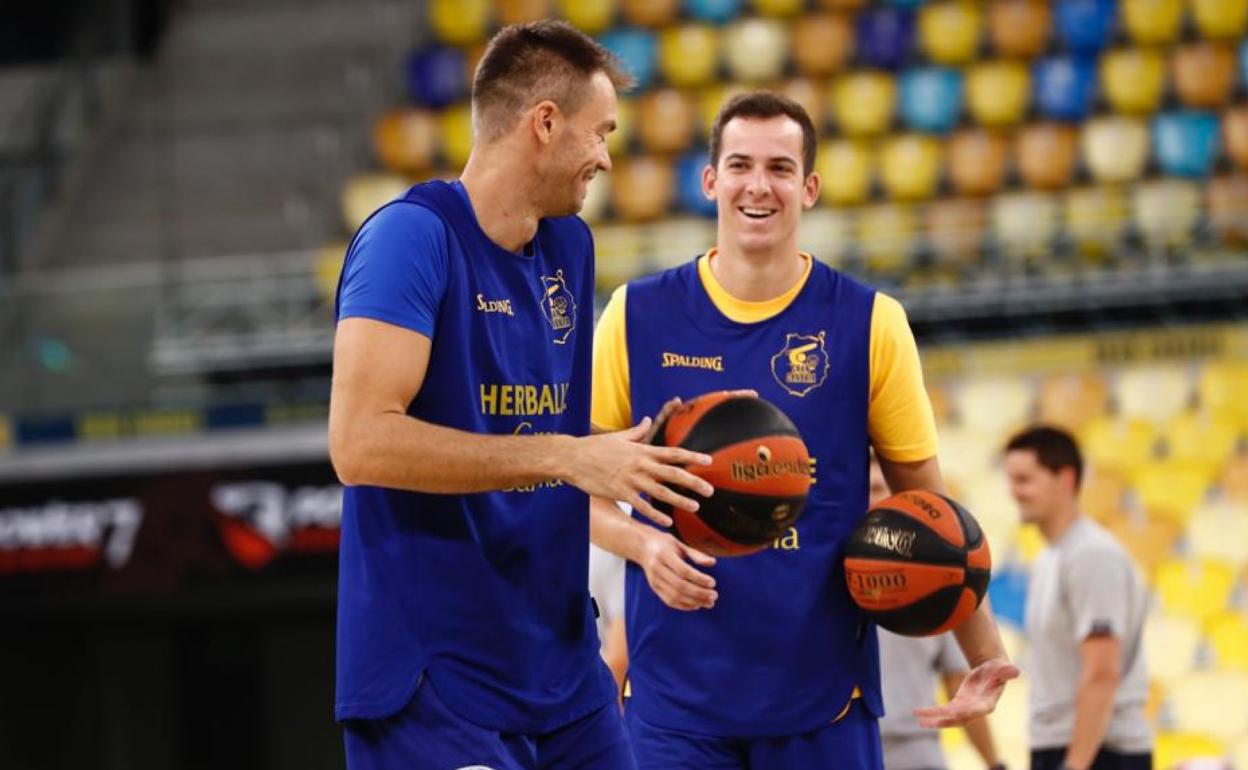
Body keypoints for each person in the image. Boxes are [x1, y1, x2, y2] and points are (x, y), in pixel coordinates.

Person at [589, 91, 1019, 770]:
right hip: (674, 701)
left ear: (809, 187)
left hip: (824, 700)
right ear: (710, 181)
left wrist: (985, 656)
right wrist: (641, 545)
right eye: (739, 165)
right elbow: (575, 483)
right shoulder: (633, 316)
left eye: (781, 168)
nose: (758, 185)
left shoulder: (872, 322)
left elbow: (932, 513)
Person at [328, 20, 717, 770]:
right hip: (436, 675)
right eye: (599, 132)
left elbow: (558, 456)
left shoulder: (569, 244)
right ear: (545, 123)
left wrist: (632, 478)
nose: (606, 156)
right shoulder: (409, 238)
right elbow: (358, 444)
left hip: (559, 662)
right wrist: (570, 457)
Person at [1004, 426, 1152, 770]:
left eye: (1024, 480)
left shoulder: (1092, 556)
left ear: (1065, 479)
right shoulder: (1048, 559)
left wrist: (1075, 764)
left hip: (1100, 752)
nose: (1013, 492)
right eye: (1010, 480)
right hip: (1061, 745)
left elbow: (1102, 671)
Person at [868, 457, 1005, 770]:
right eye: (865, 490)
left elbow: (960, 682)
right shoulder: (823, 574)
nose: (872, 499)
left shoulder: (937, 582)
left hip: (915, 752)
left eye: (879, 489)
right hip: (843, 749)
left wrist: (994, 763)